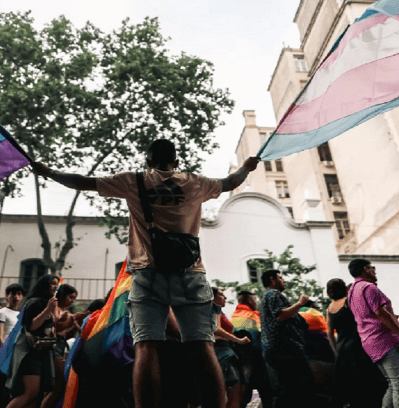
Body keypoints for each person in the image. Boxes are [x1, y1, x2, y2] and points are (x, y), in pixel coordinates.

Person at [31, 138, 260, 408]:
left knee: (146, 346)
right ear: (176, 162)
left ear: (148, 161)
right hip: (191, 274)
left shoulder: (133, 181)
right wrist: (247, 166)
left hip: (147, 274)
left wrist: (48, 172)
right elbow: (231, 182)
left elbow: (81, 181)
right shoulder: (196, 183)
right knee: (203, 345)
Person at [347, 259, 399, 408]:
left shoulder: (352, 291)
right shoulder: (369, 287)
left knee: (393, 384)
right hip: (385, 339)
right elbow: (382, 313)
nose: (374, 270)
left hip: (370, 342)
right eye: (372, 268)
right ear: (365, 269)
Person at [259, 269, 314, 407]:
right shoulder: (273, 293)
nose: (284, 280)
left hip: (277, 349)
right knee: (298, 386)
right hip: (285, 348)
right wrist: (300, 303)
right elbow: (280, 316)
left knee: (289, 387)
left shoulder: (267, 296)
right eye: (280, 277)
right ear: (272, 279)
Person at [325, 278, 385, 408]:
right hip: (359, 345)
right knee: (368, 381)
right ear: (344, 289)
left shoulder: (329, 308)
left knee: (351, 385)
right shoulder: (348, 301)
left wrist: (337, 349)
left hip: (342, 349)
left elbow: (329, 333)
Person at [5, 274, 59, 408]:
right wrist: (48, 310)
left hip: (41, 352)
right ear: (44, 285)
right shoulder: (35, 302)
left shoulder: (47, 303)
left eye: (56, 283)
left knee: (36, 396)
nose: (55, 286)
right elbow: (31, 326)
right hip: (29, 353)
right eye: (52, 283)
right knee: (30, 392)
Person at [41, 283, 86, 408]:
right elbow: (56, 327)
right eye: (70, 297)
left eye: (74, 299)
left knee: (52, 387)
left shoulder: (65, 312)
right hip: (53, 347)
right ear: (62, 295)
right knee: (58, 386)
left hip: (59, 346)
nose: (72, 301)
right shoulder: (54, 308)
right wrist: (72, 319)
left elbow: (65, 332)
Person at [230, 291, 272, 408]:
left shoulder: (234, 316)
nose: (256, 302)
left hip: (241, 362)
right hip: (256, 360)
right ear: (249, 300)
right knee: (267, 393)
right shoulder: (252, 315)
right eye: (255, 300)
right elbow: (261, 338)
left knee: (243, 397)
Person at [210, 288, 250, 408]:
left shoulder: (218, 311)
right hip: (222, 351)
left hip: (224, 350)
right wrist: (238, 340)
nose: (225, 297)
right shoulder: (213, 308)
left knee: (235, 393)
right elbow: (216, 329)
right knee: (234, 393)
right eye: (221, 294)